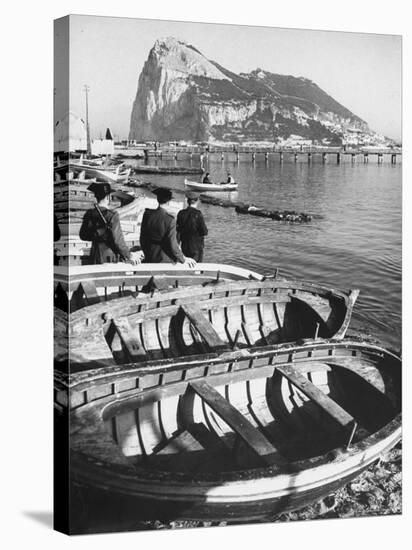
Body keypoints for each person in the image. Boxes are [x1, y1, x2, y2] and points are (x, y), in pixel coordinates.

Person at [79, 182, 139, 265]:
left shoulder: (89, 214)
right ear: (108, 197)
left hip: (94, 254)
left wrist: (97, 234)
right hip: (109, 256)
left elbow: (83, 236)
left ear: (96, 197)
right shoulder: (112, 215)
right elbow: (118, 241)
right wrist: (129, 256)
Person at [140, 187, 196, 267]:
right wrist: (183, 259)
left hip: (149, 254)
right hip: (163, 259)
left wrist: (146, 252)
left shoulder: (147, 214)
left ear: (157, 200)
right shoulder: (169, 220)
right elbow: (172, 244)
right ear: (169, 202)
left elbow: (142, 237)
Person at [177, 192, 208, 262]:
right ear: (197, 201)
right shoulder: (198, 213)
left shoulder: (181, 213)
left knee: (186, 266)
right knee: (197, 267)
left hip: (184, 245)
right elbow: (204, 232)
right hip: (196, 247)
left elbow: (178, 230)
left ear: (187, 201)